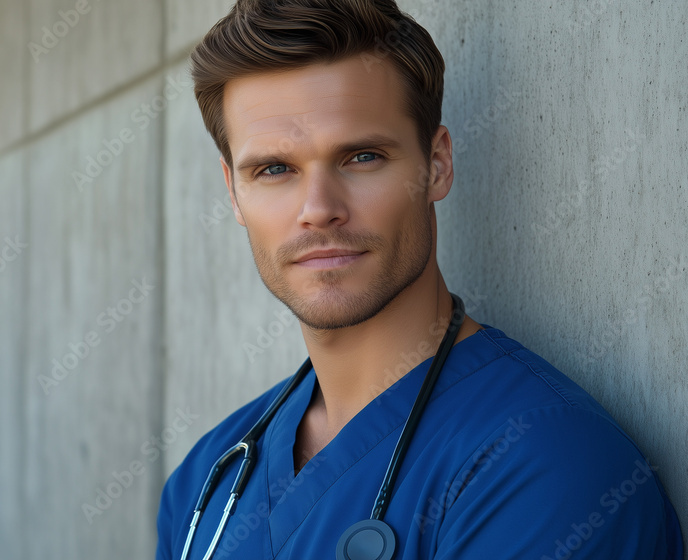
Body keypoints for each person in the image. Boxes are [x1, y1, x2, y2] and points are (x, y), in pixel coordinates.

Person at [155, 0, 684, 558]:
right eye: (274, 169)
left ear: (437, 165)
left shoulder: (544, 464)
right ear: (234, 193)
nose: (319, 209)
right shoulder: (204, 482)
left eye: (362, 157)